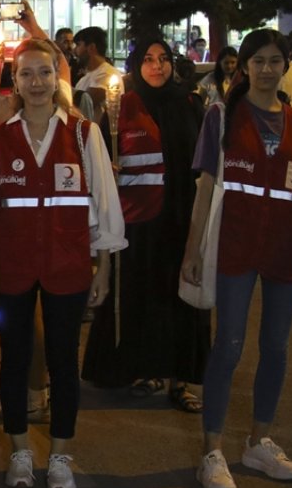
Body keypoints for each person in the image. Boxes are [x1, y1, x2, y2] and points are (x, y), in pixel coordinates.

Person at [181, 28, 292, 488]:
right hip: (236, 247)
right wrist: (193, 251)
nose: (267, 69)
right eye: (258, 61)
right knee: (229, 346)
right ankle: (211, 451)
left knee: (276, 347)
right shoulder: (222, 116)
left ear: (288, 68)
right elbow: (207, 188)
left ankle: (259, 441)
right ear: (244, 66)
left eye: (276, 61)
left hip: (287, 248)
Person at [0, 37, 126, 488]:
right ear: (14, 80)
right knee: (13, 361)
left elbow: (105, 204)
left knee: (63, 363)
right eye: (27, 74)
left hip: (68, 266)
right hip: (12, 268)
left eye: (45, 73)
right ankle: (19, 451)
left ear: (58, 78)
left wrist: (105, 267)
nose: (36, 82)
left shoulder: (82, 133)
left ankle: (59, 456)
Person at [81, 39, 210, 412]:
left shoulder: (188, 104)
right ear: (137, 65)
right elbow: (101, 156)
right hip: (138, 223)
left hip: (182, 219)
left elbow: (204, 162)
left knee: (182, 297)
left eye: (164, 59)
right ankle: (141, 368)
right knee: (142, 298)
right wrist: (111, 168)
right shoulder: (122, 107)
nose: (158, 66)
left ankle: (181, 378)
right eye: (149, 60)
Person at [72, 26, 117, 122]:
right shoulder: (87, 77)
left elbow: (83, 102)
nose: (74, 51)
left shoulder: (107, 74)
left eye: (78, 45)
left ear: (91, 47)